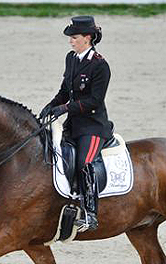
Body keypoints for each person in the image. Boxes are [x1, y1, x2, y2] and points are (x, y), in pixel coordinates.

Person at [40, 15, 114, 232]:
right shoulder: (71, 58)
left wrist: (65, 108)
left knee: (84, 162)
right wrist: (51, 105)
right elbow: (65, 90)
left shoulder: (100, 65)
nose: (71, 41)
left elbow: (95, 100)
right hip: (73, 125)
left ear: (87, 38)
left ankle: (91, 214)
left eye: (75, 37)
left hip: (93, 127)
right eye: (70, 37)